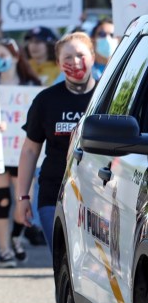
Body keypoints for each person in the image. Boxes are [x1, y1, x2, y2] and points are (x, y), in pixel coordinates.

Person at [15, 32, 98, 246]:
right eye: (67, 57)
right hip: (55, 192)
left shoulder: (108, 98)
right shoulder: (46, 100)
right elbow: (30, 150)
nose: (75, 62)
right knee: (62, 261)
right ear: (59, 63)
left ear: (92, 56)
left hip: (100, 195)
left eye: (80, 55)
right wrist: (23, 198)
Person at [0, 38, 42, 266]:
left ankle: (16, 237)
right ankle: (4, 249)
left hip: (21, 153)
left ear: (16, 57)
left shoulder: (31, 87)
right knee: (2, 201)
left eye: (4, 56)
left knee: (22, 201)